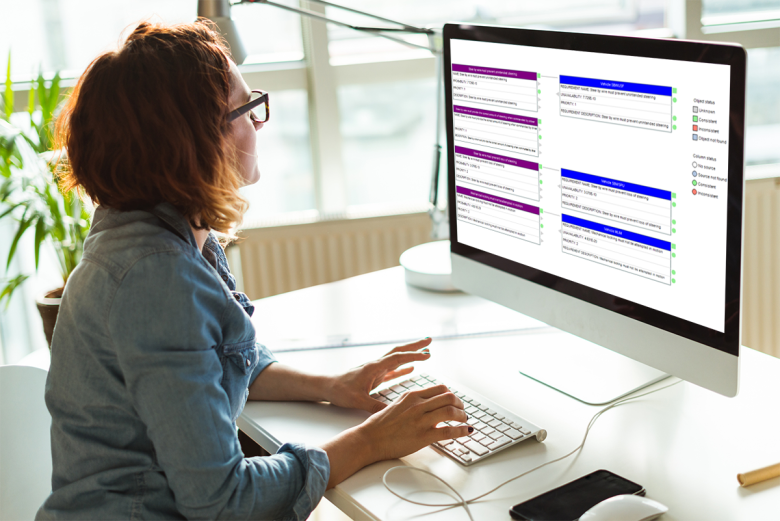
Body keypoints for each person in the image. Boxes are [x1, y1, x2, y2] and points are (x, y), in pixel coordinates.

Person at [36, 21, 470, 521]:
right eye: (247, 110)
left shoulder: (156, 227)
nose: (260, 123)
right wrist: (373, 439)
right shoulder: (156, 279)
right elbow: (223, 500)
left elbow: (213, 362)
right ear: (197, 141)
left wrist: (331, 386)